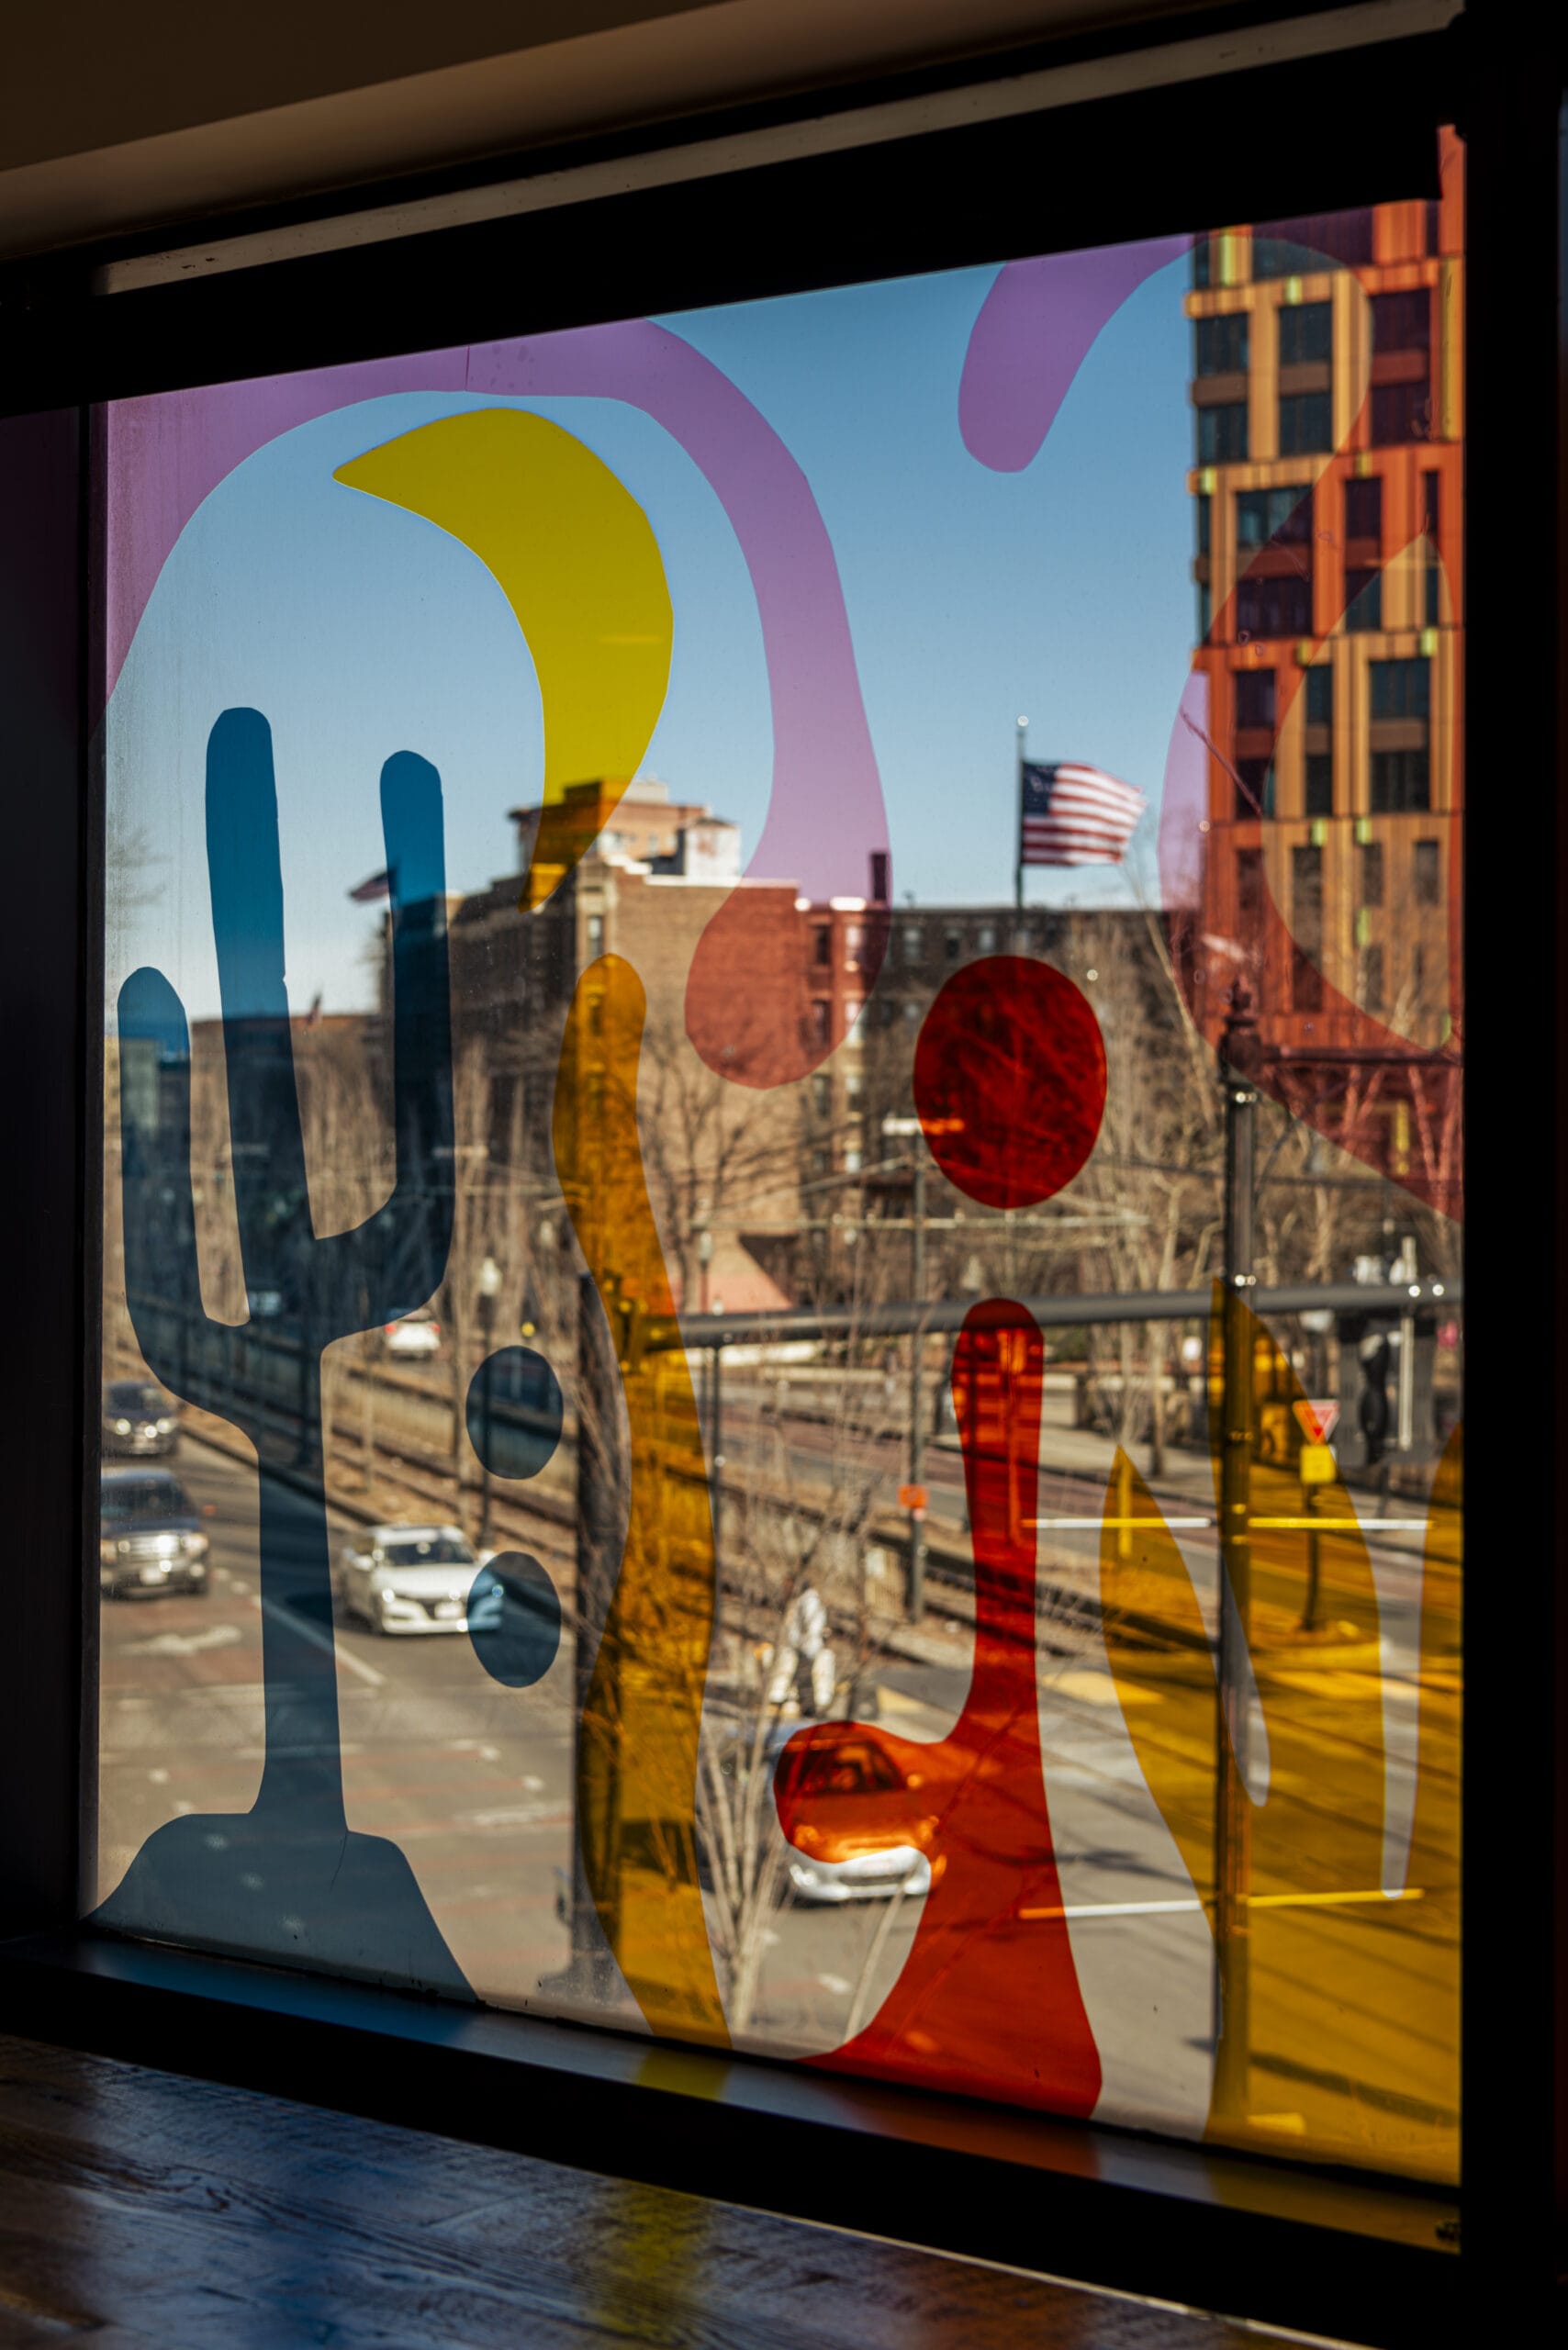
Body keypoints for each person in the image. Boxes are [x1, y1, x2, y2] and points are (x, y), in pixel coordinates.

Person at [767, 1578, 835, 1714]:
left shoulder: (809, 1600)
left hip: (807, 1647)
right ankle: (798, 1705)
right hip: (803, 1645)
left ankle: (808, 1709)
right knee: (800, 1676)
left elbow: (812, 1625)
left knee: (804, 1677)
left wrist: (803, 1640)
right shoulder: (804, 1599)